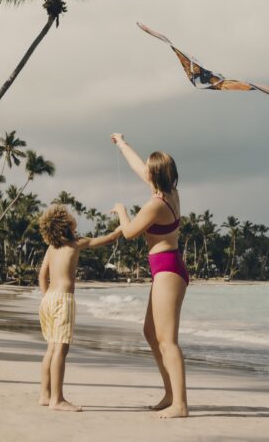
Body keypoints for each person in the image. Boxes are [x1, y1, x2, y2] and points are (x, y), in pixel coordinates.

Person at [110, 133, 189, 418]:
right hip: (165, 268)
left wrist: (121, 211)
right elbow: (139, 168)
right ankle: (170, 393)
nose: (145, 172)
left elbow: (130, 233)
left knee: (167, 339)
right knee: (149, 332)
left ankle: (180, 404)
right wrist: (121, 143)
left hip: (168, 270)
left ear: (155, 176)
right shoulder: (170, 193)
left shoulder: (157, 204)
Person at [37, 204, 122, 412]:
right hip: (62, 300)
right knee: (61, 350)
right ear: (67, 225)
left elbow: (42, 276)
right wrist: (122, 226)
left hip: (48, 299)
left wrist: (47, 296)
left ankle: (45, 394)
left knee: (51, 348)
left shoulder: (51, 248)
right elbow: (108, 239)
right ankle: (57, 399)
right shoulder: (76, 243)